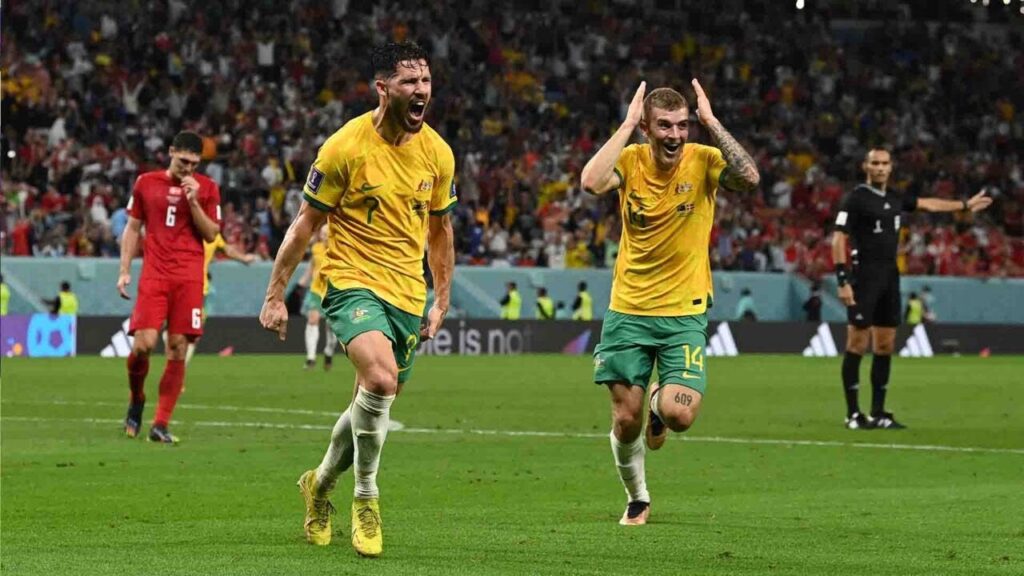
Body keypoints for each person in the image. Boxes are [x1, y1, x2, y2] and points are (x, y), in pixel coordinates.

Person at [258, 41, 455, 558]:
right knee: (381, 379)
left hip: (407, 294)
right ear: (383, 88)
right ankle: (366, 497)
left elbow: (440, 231)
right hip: (350, 281)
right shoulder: (344, 148)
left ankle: (319, 484)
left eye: (426, 82)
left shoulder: (437, 153)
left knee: (374, 402)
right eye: (410, 82)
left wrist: (441, 300)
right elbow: (305, 225)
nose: (421, 91)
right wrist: (276, 294)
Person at [580, 79, 760, 525]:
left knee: (679, 415)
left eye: (682, 125)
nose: (675, 135)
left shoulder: (703, 160)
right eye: (664, 125)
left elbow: (750, 178)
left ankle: (660, 402)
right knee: (626, 420)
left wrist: (712, 123)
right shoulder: (630, 159)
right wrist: (625, 127)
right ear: (647, 127)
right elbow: (590, 182)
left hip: (684, 312)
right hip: (629, 310)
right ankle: (638, 497)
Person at [832, 147, 991, 430]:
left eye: (884, 163)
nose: (880, 168)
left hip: (890, 277)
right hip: (863, 277)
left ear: (891, 167)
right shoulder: (855, 198)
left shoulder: (894, 197)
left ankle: (878, 412)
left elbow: (928, 204)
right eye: (875, 163)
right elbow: (838, 239)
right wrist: (842, 280)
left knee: (885, 344)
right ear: (865, 166)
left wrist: (964, 205)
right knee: (857, 342)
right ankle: (853, 413)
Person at [117, 131, 221, 444]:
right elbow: (133, 228)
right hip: (155, 275)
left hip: (189, 278)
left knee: (177, 346)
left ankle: (160, 424)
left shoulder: (208, 188)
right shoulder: (145, 183)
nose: (188, 168)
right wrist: (124, 271)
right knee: (143, 345)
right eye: (183, 161)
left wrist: (194, 202)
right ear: (171, 151)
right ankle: (137, 398)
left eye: (194, 164)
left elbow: (212, 233)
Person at [298, 224, 339, 370]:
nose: (324, 236)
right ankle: (311, 358)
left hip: (333, 293)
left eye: (326, 233)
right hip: (316, 290)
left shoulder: (339, 251)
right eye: (322, 233)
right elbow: (312, 268)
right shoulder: (316, 249)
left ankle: (328, 351)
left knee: (332, 327)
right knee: (312, 319)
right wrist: (301, 283)